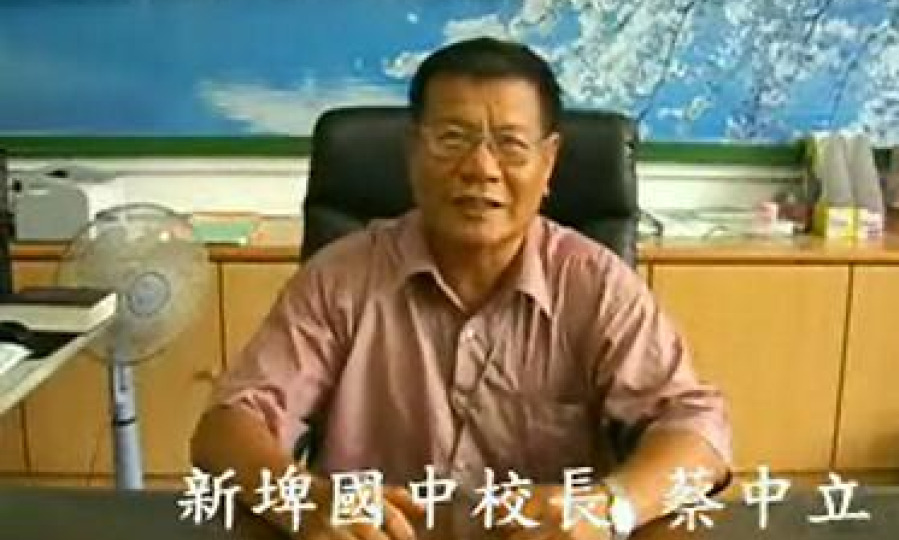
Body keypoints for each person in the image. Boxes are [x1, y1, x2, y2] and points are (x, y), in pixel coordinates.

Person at [191, 37, 732, 540]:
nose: (480, 168)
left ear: (548, 163)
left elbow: (695, 428)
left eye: (510, 144)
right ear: (413, 152)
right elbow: (228, 425)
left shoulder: (597, 285)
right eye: (453, 139)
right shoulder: (340, 279)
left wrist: (609, 508)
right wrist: (310, 502)